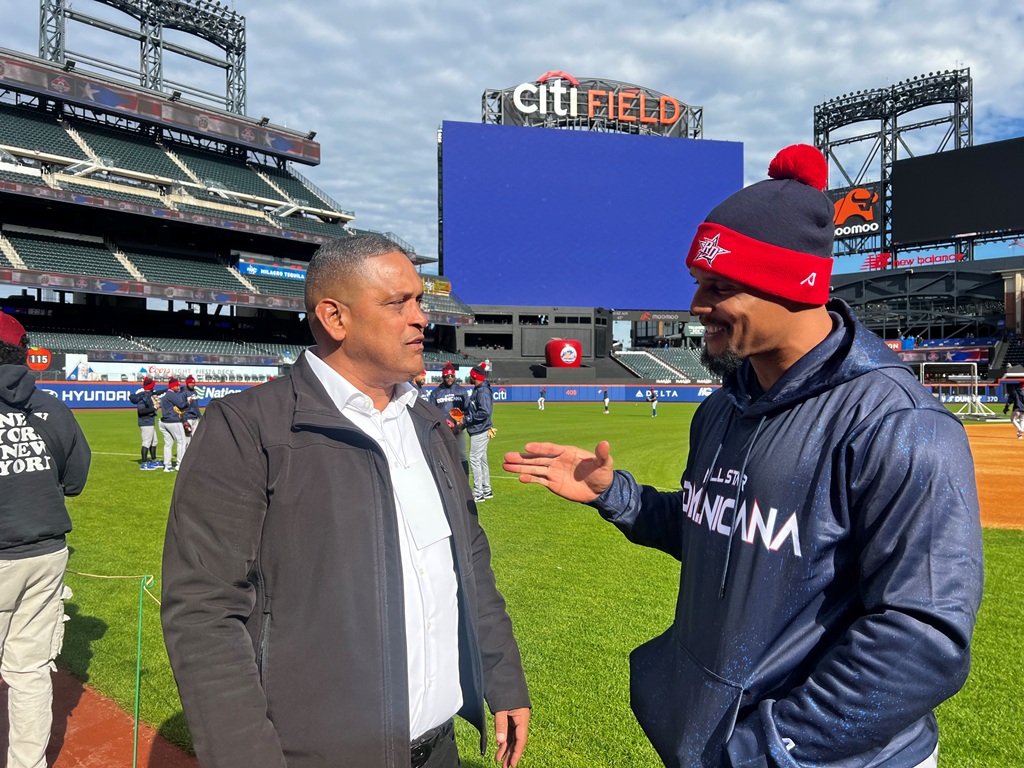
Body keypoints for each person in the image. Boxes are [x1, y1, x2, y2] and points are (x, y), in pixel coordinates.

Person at [503, 145, 983, 768]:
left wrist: (769, 748)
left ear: (793, 288)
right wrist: (613, 494)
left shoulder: (898, 423)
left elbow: (923, 635)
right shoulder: (722, 407)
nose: (697, 306)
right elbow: (721, 531)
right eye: (699, 284)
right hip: (713, 737)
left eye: (719, 287)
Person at [161, 234, 530, 768]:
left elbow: (469, 560)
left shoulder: (428, 424)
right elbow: (204, 612)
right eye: (397, 302)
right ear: (335, 318)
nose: (421, 318)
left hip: (440, 749)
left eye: (420, 301)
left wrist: (502, 678)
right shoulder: (247, 427)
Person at [0, 313, 91, 768]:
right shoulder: (52, 406)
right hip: (46, 553)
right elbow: (75, 480)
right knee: (30, 672)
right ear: (22, 351)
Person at [429, 362, 470, 473]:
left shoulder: (462, 391)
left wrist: (462, 423)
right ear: (443, 376)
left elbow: (467, 409)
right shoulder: (436, 393)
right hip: (444, 430)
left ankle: (465, 484)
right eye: (447, 376)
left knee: (462, 455)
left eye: (452, 376)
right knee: (446, 456)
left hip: (459, 428)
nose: (450, 378)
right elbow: (432, 412)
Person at [465, 365, 494, 502]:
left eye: (471, 375)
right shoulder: (479, 389)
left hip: (480, 429)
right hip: (481, 428)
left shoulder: (482, 391)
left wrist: (468, 419)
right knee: (481, 459)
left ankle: (478, 492)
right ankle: (486, 489)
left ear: (474, 376)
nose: (469, 377)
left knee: (475, 459)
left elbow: (485, 412)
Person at [128, 376, 165, 469]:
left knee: (154, 441)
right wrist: (153, 409)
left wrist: (167, 389)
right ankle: (144, 463)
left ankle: (154, 460)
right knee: (146, 442)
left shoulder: (149, 394)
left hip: (150, 421)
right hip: (145, 422)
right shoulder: (142, 397)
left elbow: (157, 392)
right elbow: (141, 411)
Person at [157, 376, 190, 472]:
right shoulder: (171, 394)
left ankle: (167, 466)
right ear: (172, 387)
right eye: (177, 386)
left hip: (163, 421)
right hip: (173, 421)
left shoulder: (166, 395)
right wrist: (188, 402)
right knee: (182, 441)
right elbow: (182, 404)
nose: (178, 387)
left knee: (168, 443)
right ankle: (180, 465)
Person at [182, 375, 201, 445]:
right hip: (187, 417)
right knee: (187, 438)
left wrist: (200, 416)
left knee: (197, 437)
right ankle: (186, 454)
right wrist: (184, 420)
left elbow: (196, 406)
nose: (192, 384)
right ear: (187, 383)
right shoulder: (183, 392)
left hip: (195, 418)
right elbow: (181, 407)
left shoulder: (195, 392)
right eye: (190, 383)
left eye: (193, 383)